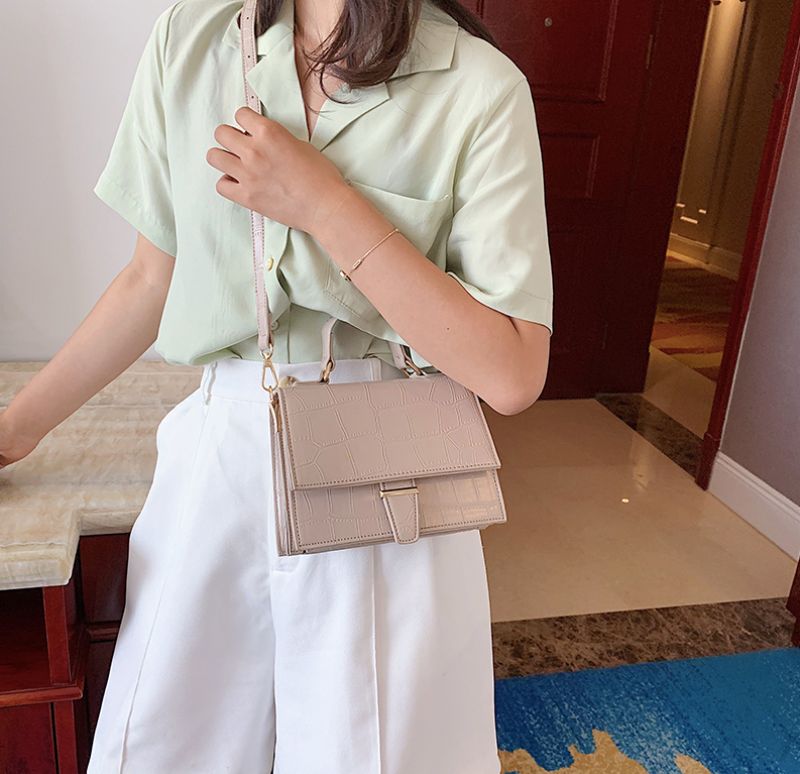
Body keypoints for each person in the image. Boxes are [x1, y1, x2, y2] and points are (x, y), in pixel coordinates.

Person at [0, 0, 553, 770]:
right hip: (218, 458)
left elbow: (513, 371)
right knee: (167, 745)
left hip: (390, 482)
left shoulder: (480, 88)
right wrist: (15, 430)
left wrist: (326, 205)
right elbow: (149, 280)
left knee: (369, 753)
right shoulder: (192, 39)